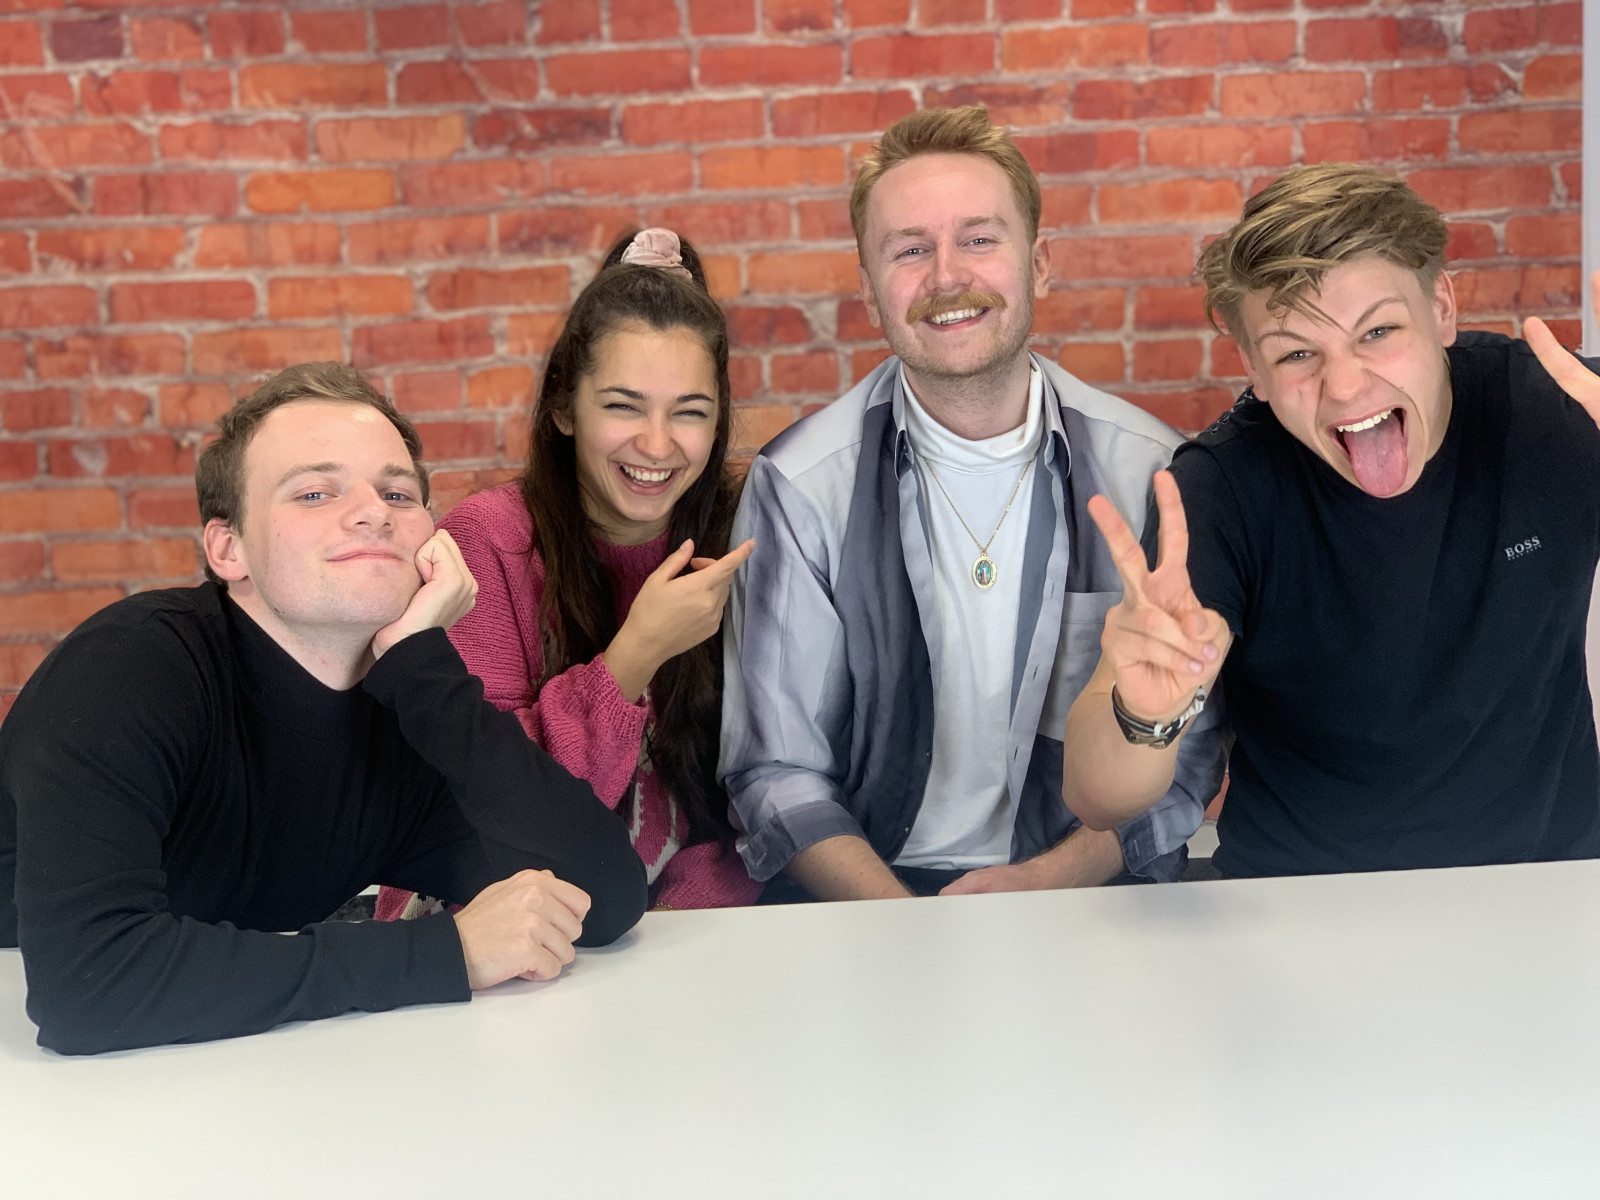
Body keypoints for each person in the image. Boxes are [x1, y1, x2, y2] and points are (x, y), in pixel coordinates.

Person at [0, 363, 648, 1054]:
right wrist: (447, 953)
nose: (374, 512)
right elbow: (88, 984)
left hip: (228, 1062)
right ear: (228, 548)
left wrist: (426, 671)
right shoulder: (132, 668)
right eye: (314, 493)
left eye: (397, 493)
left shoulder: (406, 715)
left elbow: (602, 897)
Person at [720, 105, 1223, 902]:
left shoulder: (1150, 472)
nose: (946, 276)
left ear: (1039, 265)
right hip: (869, 898)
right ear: (869, 290)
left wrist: (1045, 884)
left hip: (1084, 893)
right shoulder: (802, 485)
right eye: (910, 249)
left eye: (980, 240)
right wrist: (907, 927)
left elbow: (1187, 753)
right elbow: (776, 772)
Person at [1062, 163, 1600, 878]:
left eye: (1378, 331)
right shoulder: (1222, 488)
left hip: (1551, 887)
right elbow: (1098, 797)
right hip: (1303, 900)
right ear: (1253, 368)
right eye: (1296, 353)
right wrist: (1143, 716)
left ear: (1441, 307)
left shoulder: (1560, 412)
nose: (1344, 386)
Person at [376, 229, 759, 920]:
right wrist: (636, 652)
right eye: (622, 405)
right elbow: (487, 807)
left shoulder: (745, 537)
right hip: (499, 914)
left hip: (681, 928)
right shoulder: (487, 543)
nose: (657, 444)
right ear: (563, 409)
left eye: (690, 413)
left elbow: (756, 803)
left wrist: (677, 924)